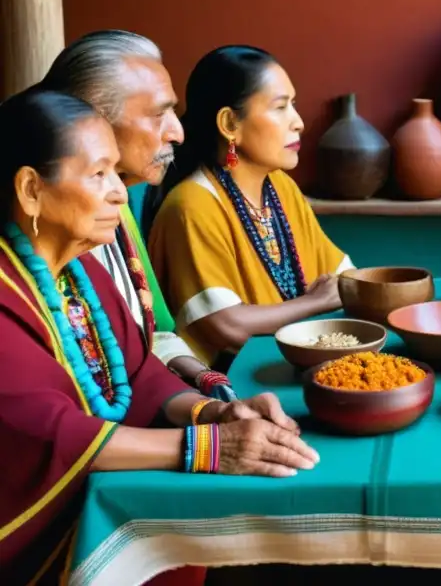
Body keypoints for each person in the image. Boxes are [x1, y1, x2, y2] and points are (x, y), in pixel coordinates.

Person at [0, 89, 321, 585]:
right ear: (30, 190)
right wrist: (209, 448)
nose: (118, 193)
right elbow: (47, 434)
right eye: (98, 174)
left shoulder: (80, 271)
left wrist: (213, 411)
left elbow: (136, 370)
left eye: (115, 173)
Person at [39, 30, 235, 400]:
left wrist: (204, 383)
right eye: (159, 114)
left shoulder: (121, 205)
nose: (177, 132)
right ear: (91, 120)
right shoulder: (36, 240)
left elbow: (152, 333)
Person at [147, 45, 354, 371]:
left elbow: (341, 278)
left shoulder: (280, 187)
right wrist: (313, 302)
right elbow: (226, 325)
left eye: (294, 105)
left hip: (291, 363)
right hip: (229, 387)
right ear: (230, 123)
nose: (298, 122)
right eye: (280, 107)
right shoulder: (191, 206)